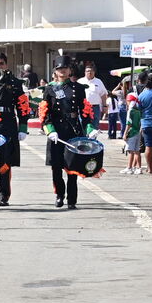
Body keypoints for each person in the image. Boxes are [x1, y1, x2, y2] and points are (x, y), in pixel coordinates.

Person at [38, 58, 93, 210]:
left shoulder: (79, 88)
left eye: (65, 68)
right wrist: (49, 130)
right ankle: (59, 194)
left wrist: (90, 128)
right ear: (55, 71)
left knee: (72, 166)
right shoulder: (49, 90)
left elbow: (85, 110)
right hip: (56, 130)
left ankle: (72, 198)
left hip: (73, 129)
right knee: (56, 166)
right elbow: (44, 112)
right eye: (59, 68)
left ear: (70, 70)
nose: (62, 71)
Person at [0, 51, 30, 207]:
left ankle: (3, 194)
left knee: (5, 161)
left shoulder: (15, 82)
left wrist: (23, 127)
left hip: (8, 123)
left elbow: (23, 106)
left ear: (6, 65)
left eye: (1, 64)